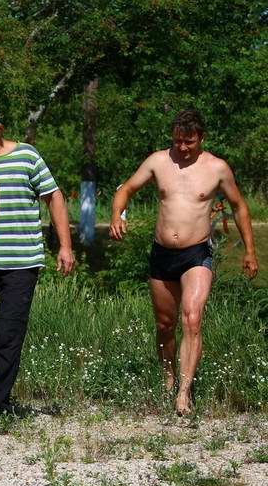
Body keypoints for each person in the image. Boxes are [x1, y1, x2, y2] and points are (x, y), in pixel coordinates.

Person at [110, 109, 258, 416]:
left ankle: (183, 392)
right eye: (178, 141)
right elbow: (125, 190)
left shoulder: (217, 168)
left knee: (191, 318)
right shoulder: (158, 161)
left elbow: (239, 207)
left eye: (189, 141)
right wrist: (116, 216)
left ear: (201, 138)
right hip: (162, 254)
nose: (183, 148)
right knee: (165, 326)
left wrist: (250, 251)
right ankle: (168, 377)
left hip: (196, 253)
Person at [0, 103, 75, 433]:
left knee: (11, 334)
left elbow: (54, 197)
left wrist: (65, 245)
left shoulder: (27, 156)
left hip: (22, 261)